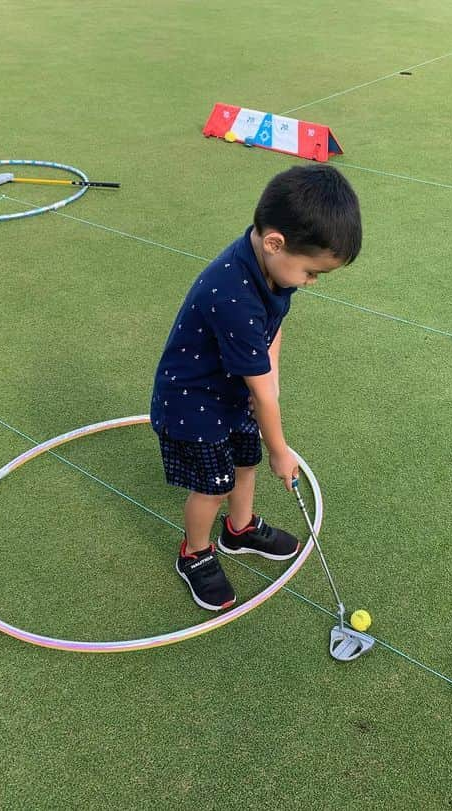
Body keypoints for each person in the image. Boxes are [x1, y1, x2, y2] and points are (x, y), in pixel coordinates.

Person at [150, 164, 362, 610]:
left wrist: (272, 376)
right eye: (311, 272)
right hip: (194, 402)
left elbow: (274, 327)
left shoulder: (274, 268)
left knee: (244, 462)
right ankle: (195, 552)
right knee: (212, 485)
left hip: (234, 390)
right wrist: (281, 450)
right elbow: (262, 393)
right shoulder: (233, 293)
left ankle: (239, 529)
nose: (311, 282)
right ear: (274, 243)